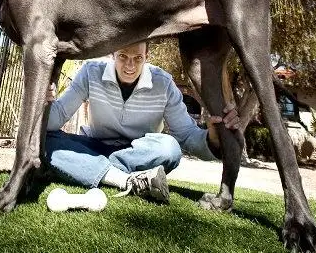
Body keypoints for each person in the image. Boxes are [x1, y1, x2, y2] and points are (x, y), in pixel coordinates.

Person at [45, 41, 240, 203]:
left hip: (139, 154)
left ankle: (84, 168)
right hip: (94, 146)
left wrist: (212, 137)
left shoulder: (163, 83)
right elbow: (58, 115)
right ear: (113, 53)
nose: (130, 66)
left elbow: (187, 136)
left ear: (147, 56)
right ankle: (125, 180)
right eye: (123, 57)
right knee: (43, 139)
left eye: (137, 58)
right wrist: (43, 103)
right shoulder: (90, 73)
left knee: (169, 148)